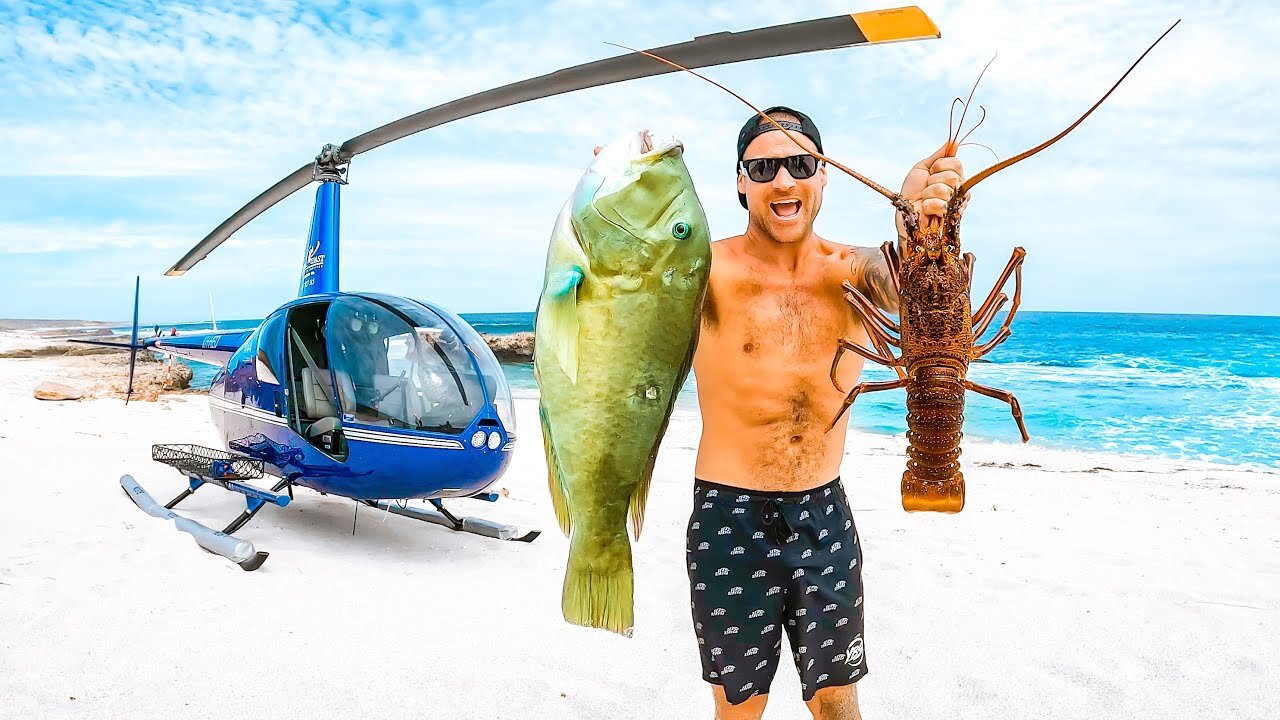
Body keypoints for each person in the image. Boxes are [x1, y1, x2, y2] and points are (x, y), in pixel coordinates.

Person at [676, 107, 962, 720]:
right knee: (739, 706)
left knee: (836, 701)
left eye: (800, 165)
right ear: (740, 181)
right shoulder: (705, 272)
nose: (784, 182)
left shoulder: (856, 270)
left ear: (824, 175)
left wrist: (915, 220)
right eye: (764, 167)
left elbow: (924, 295)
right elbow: (624, 289)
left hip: (823, 512)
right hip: (729, 514)